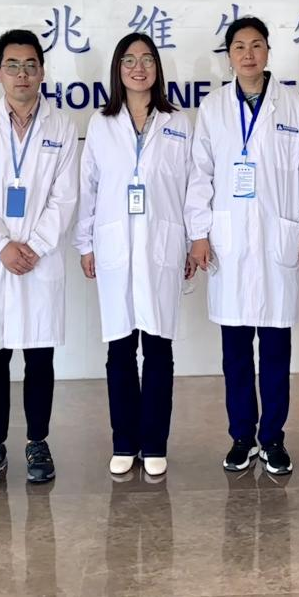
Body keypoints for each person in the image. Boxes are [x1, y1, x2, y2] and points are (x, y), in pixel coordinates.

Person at [186, 16, 299, 475]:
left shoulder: (291, 105)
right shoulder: (213, 108)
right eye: (239, 47)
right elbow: (200, 174)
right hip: (228, 242)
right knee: (235, 352)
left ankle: (273, 437)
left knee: (276, 349)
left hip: (275, 238)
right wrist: (199, 232)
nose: (248, 54)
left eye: (257, 45)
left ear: (268, 51)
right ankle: (242, 436)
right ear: (229, 55)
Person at [0, 29, 78, 486]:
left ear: (42, 72)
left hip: (39, 259)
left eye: (30, 65)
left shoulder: (61, 127)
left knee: (39, 357)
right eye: (13, 65)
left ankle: (37, 442)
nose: (22, 74)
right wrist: (2, 245)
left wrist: (36, 245)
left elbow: (65, 197)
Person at [75, 33, 195, 478]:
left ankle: (155, 442)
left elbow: (192, 187)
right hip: (114, 245)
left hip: (162, 244)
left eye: (146, 59)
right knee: (120, 349)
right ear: (118, 69)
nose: (138, 68)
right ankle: (124, 441)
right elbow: (88, 187)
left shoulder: (178, 122)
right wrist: (85, 243)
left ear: (157, 68)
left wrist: (193, 239)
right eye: (129, 60)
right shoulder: (102, 123)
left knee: (159, 347)